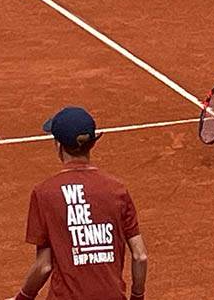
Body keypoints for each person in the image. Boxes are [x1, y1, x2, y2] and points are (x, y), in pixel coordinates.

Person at [9, 107, 148, 300]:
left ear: (58, 145)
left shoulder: (45, 193)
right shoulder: (118, 190)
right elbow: (140, 256)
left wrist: (22, 298)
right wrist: (137, 296)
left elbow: (44, 266)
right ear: (91, 144)